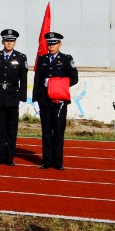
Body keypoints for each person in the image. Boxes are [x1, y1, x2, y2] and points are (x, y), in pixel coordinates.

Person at [32, 31, 78, 170]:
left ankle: (57, 161)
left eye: (54, 43)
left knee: (58, 130)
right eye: (49, 43)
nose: (51, 45)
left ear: (60, 44)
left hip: (59, 101)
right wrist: (35, 100)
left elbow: (74, 78)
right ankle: (47, 160)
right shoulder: (42, 59)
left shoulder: (66, 59)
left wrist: (56, 84)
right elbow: (37, 80)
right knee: (46, 131)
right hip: (44, 100)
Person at [0, 29, 28, 166]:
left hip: (13, 96)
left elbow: (24, 79)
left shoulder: (21, 57)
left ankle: (10, 157)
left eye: (12, 41)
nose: (9, 43)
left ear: (15, 42)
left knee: (11, 128)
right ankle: (0, 156)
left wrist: (22, 98)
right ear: (2, 41)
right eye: (7, 40)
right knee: (0, 128)